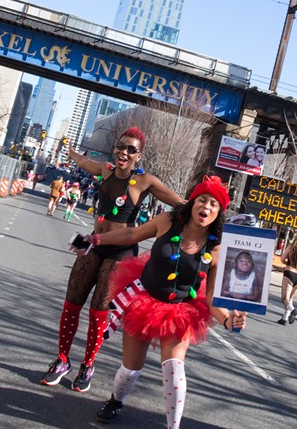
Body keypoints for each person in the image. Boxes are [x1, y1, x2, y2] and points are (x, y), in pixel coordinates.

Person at [85, 175, 246, 427]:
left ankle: (173, 426)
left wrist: (228, 321)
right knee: (130, 369)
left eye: (213, 204)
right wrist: (96, 239)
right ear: (192, 203)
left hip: (180, 311)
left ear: (219, 213)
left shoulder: (216, 250)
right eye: (202, 200)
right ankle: (116, 400)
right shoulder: (167, 221)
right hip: (144, 300)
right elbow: (132, 234)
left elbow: (212, 297)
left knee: (174, 370)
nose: (206, 206)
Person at [39, 127, 185, 394]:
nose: (124, 152)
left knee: (98, 311)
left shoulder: (145, 181)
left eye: (131, 149)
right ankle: (62, 359)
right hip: (93, 244)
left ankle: (87, 365)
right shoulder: (106, 171)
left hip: (121, 252)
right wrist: (70, 151)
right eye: (121, 146)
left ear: (139, 156)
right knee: (71, 303)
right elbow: (83, 161)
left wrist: (206, 205)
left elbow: (180, 204)